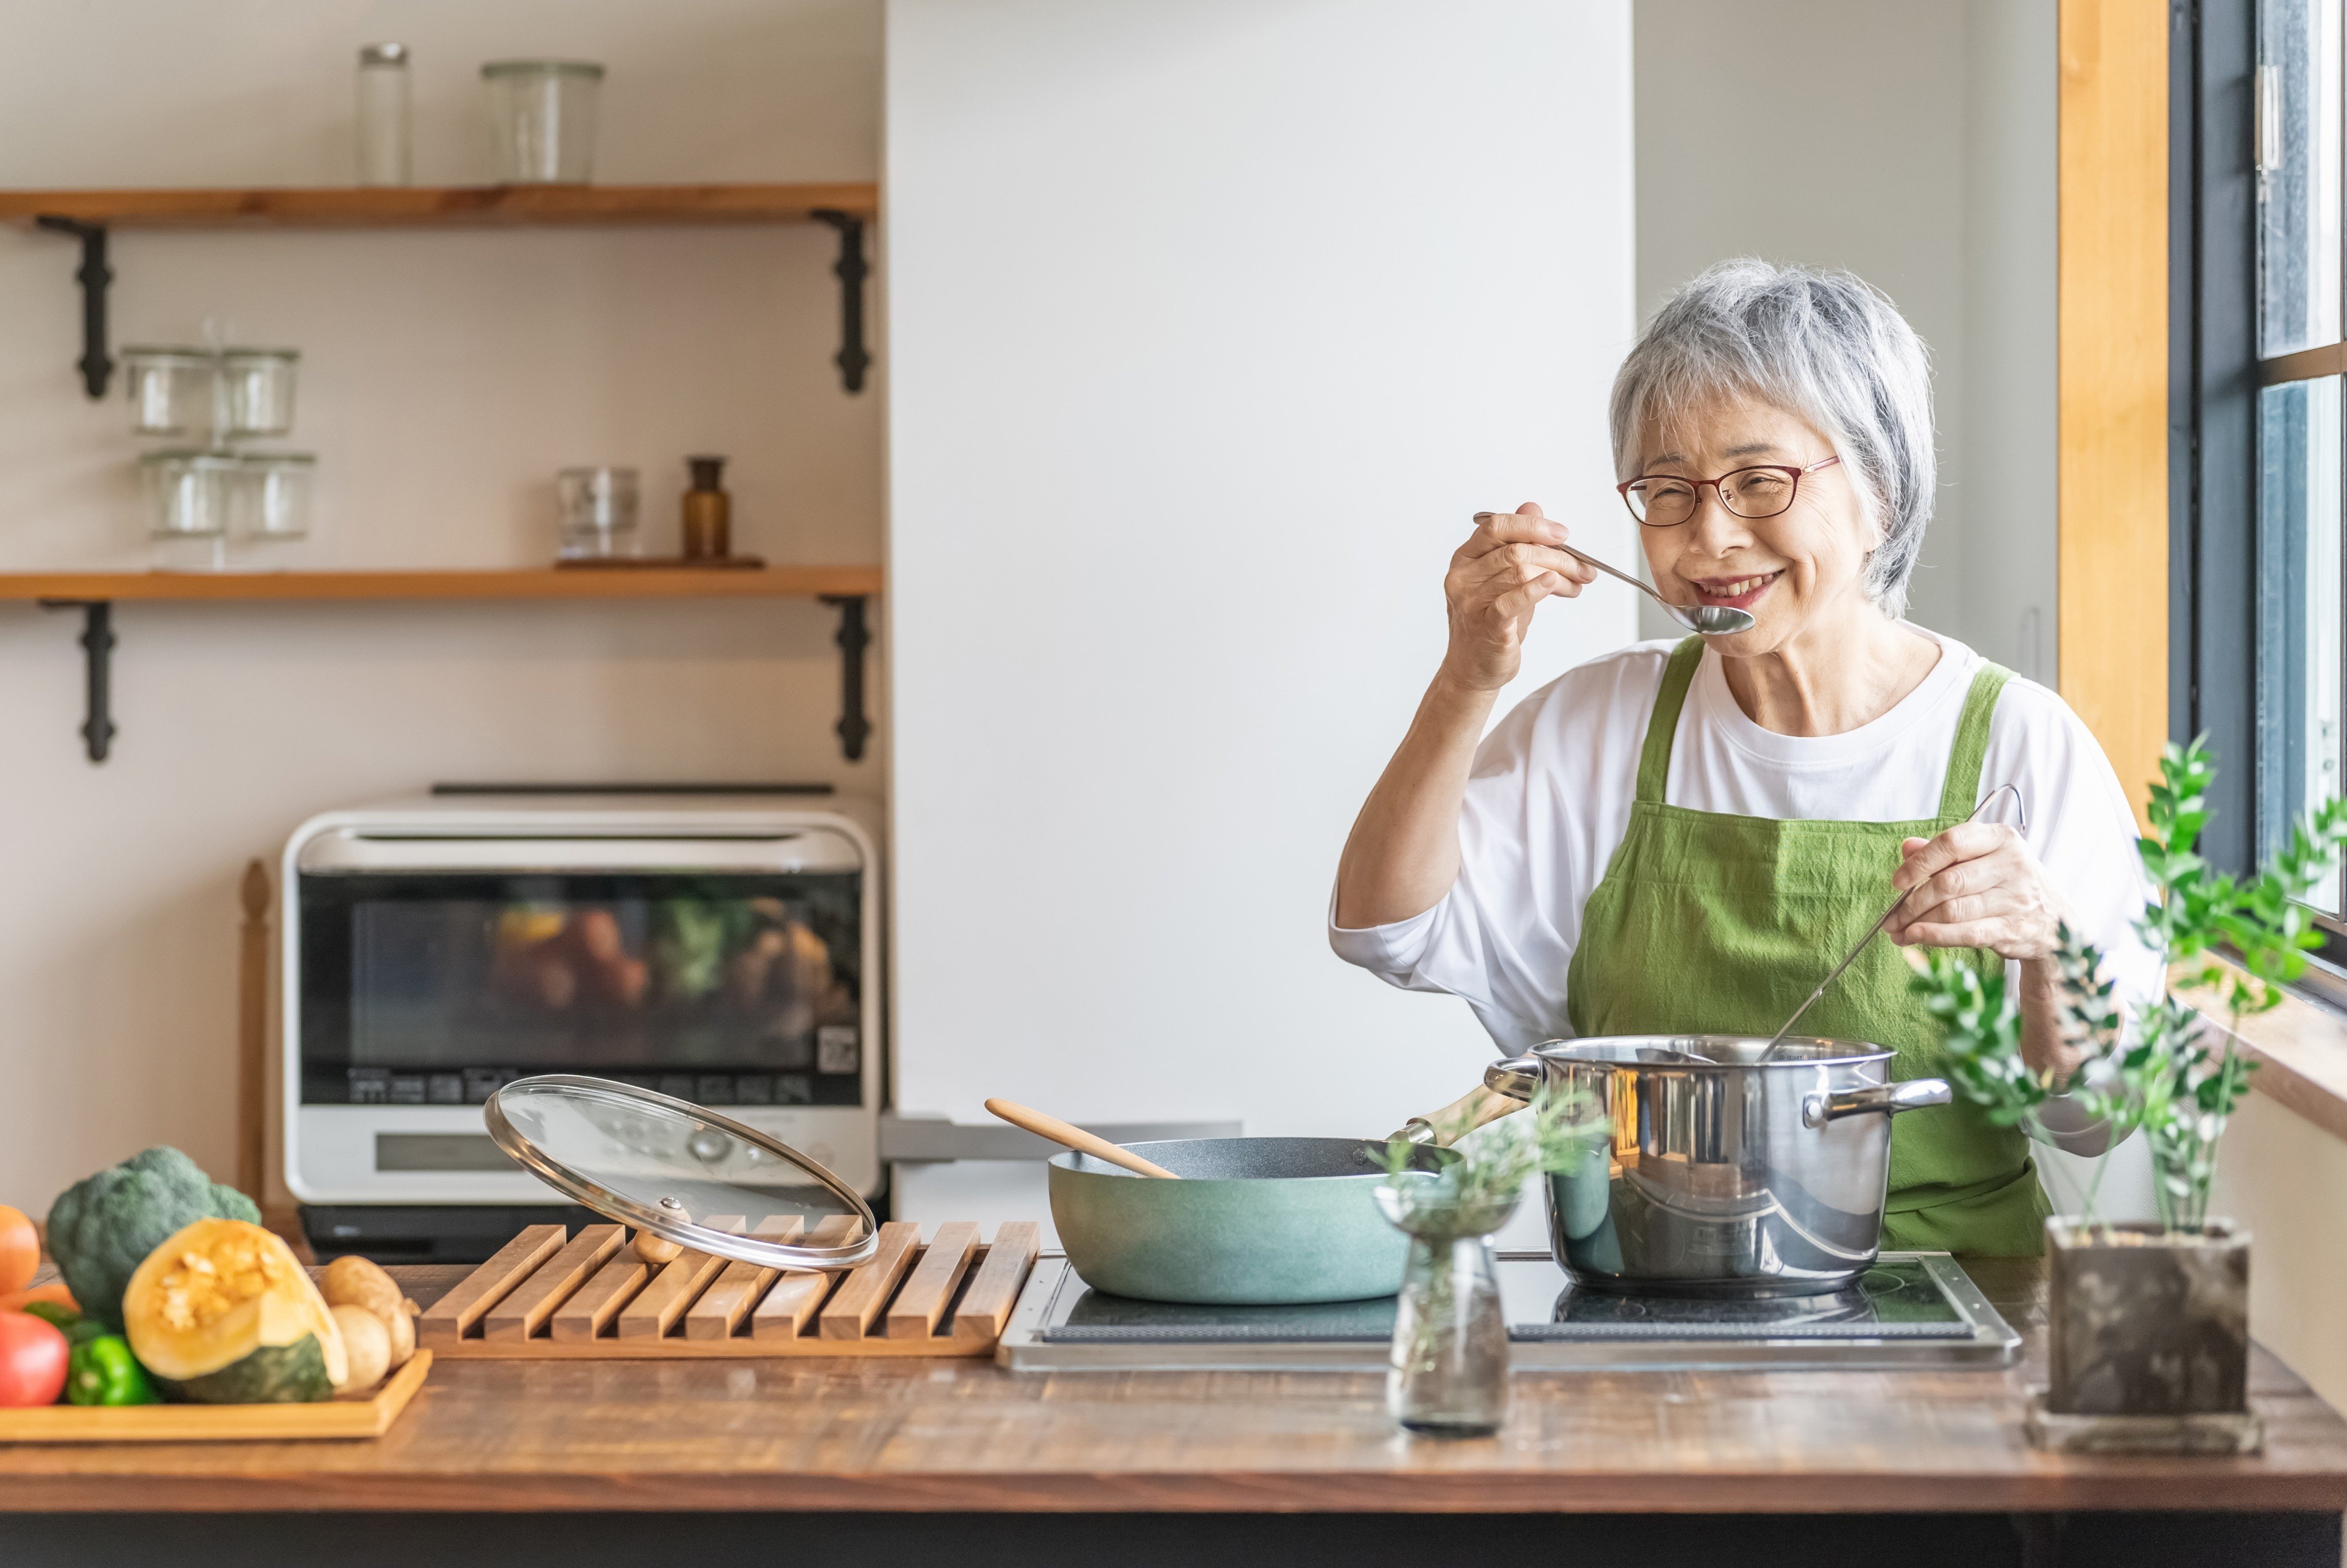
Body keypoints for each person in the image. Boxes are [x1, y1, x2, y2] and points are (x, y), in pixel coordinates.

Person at [1330, 258, 2153, 1255]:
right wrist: (1469, 675)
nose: (1710, 535)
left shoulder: (2020, 744)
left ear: (1881, 495)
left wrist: (2053, 953)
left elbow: (2101, 1125)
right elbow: (1384, 928)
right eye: (1667, 492)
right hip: (1652, 1289)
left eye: (1761, 481)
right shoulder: (1606, 720)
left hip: (1952, 1313)